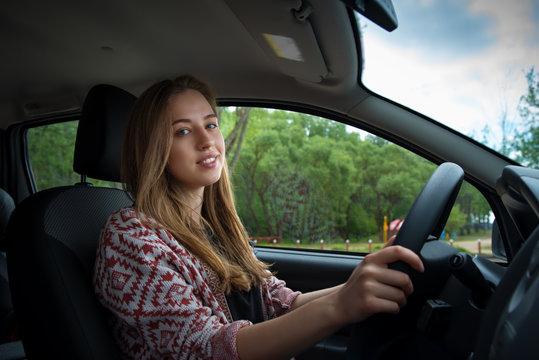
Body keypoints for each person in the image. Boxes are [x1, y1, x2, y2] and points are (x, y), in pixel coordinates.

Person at [93, 75, 424, 360]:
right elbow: (205, 349)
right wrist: (339, 306)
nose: (207, 140)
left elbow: (281, 305)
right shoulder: (130, 236)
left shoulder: (216, 229)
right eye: (182, 131)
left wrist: (360, 283)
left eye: (211, 124)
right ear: (153, 148)